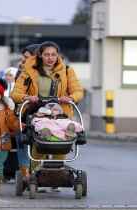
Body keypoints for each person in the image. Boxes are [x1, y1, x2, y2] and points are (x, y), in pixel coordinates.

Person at [11, 41, 84, 191]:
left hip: (61, 113)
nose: (50, 58)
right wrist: (27, 97)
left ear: (58, 55)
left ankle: (57, 175)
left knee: (61, 143)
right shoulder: (29, 71)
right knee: (39, 143)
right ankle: (36, 174)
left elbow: (78, 91)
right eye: (46, 55)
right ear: (40, 55)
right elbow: (15, 94)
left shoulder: (67, 70)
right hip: (38, 112)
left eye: (53, 54)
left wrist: (70, 98)